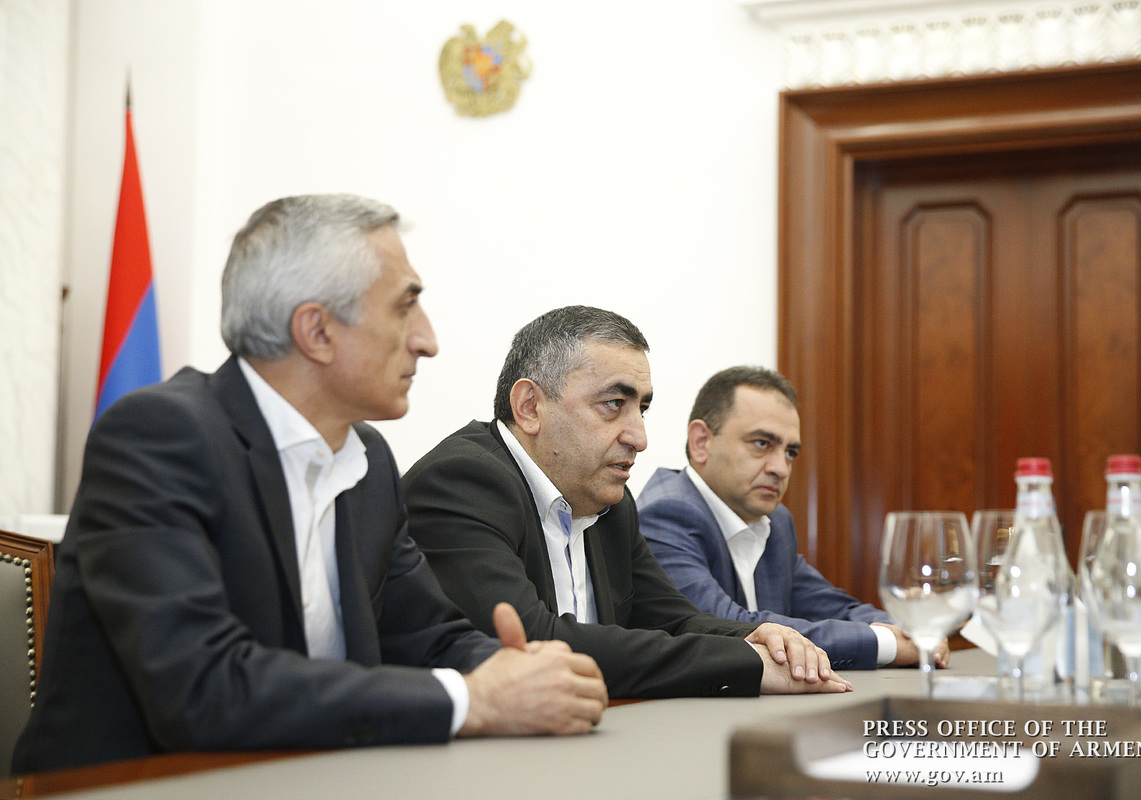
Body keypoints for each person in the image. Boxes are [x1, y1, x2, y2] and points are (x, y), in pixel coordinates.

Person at [13, 195, 606, 775]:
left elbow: (427, 637)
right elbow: (202, 689)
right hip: (132, 785)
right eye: (405, 307)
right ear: (317, 331)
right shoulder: (158, 436)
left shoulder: (367, 458)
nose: (427, 340)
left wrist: (524, 672)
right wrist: (472, 700)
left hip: (315, 774)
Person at [404, 306, 852, 699]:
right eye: (613, 403)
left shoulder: (611, 505)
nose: (639, 437)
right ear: (529, 407)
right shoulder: (461, 482)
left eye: (642, 409)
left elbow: (674, 621)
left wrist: (762, 638)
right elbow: (533, 641)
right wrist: (746, 662)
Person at [637, 366, 947, 671]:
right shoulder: (666, 514)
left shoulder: (775, 521)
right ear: (701, 442)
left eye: (790, 453)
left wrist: (908, 629)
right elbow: (725, 626)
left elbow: (829, 605)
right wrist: (886, 642)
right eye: (762, 444)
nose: (780, 469)